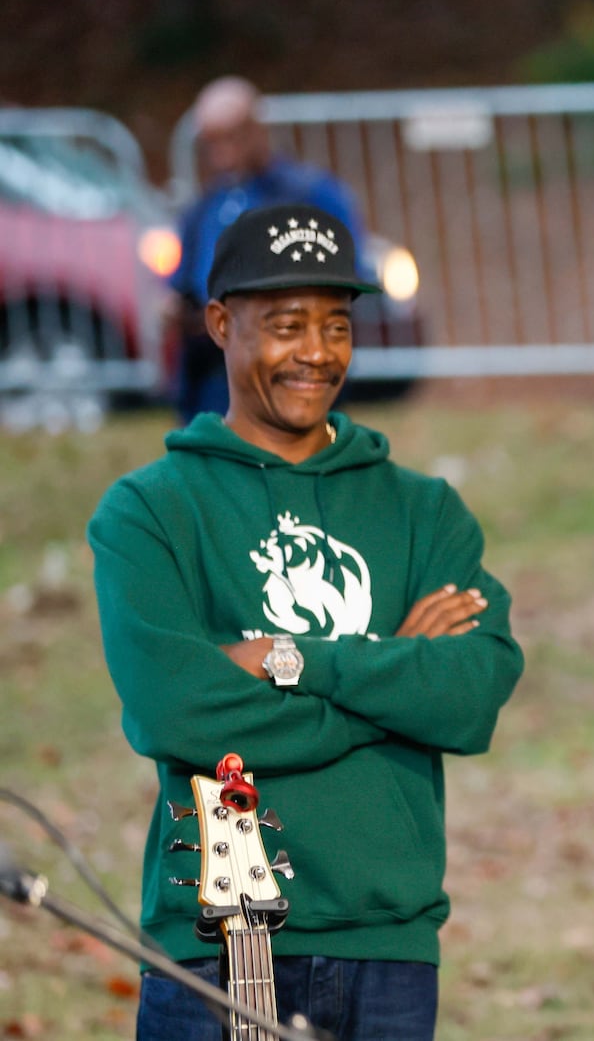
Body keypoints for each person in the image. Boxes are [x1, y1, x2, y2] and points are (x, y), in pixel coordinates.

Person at [89, 203, 523, 1040]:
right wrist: (395, 670)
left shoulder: (424, 512)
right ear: (220, 324)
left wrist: (294, 661)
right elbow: (176, 709)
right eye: (287, 325)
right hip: (219, 939)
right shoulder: (148, 512)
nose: (317, 352)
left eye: (336, 324)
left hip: (387, 939)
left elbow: (470, 696)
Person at [166, 76, 370, 421]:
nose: (220, 156)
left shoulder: (310, 194)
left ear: (255, 130)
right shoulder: (205, 207)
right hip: (217, 362)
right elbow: (181, 284)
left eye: (229, 139)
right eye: (211, 144)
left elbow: (350, 273)